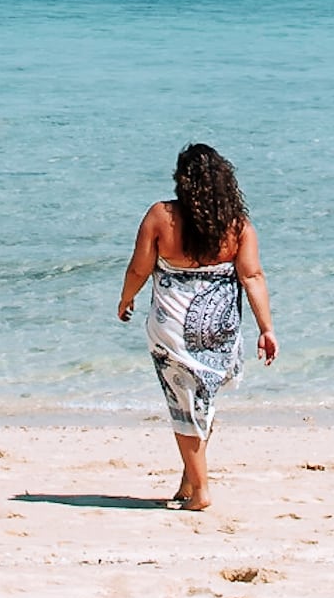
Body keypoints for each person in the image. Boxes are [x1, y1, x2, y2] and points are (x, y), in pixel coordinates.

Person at [117, 143, 278, 510]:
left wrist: (126, 298)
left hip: (172, 327)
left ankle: (201, 492)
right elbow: (252, 276)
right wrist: (266, 328)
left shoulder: (161, 216)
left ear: (181, 180)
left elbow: (140, 268)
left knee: (182, 405)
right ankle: (190, 482)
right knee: (201, 402)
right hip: (220, 329)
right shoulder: (237, 225)